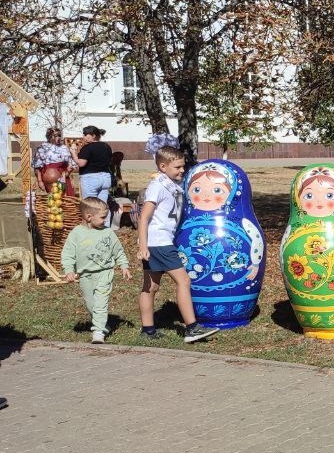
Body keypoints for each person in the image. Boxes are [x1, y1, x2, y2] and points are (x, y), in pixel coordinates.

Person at [136, 146, 219, 343]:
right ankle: (192, 328)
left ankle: (148, 329)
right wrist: (143, 246)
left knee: (151, 286)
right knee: (184, 281)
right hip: (159, 243)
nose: (182, 170)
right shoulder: (157, 185)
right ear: (163, 166)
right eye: (178, 167)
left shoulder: (170, 184)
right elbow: (144, 216)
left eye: (183, 166)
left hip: (157, 242)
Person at [61, 197, 132, 343]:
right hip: (85, 276)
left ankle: (98, 332)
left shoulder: (108, 233)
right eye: (102, 217)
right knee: (91, 304)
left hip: (104, 273)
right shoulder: (76, 233)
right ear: (88, 217)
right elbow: (68, 254)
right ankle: (102, 323)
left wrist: (124, 265)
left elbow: (118, 251)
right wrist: (68, 270)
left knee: (100, 303)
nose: (105, 221)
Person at [75, 125, 114, 221]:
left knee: (90, 205)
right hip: (105, 177)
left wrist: (73, 153)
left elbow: (81, 163)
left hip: (91, 178)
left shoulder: (87, 147)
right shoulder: (106, 146)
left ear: (93, 135)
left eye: (85, 134)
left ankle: (92, 229)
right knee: (103, 205)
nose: (83, 137)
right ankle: (104, 228)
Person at [34, 127, 76, 194]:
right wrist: (39, 181)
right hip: (48, 182)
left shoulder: (64, 148)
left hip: (63, 180)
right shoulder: (42, 148)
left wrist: (68, 172)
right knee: (51, 201)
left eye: (59, 136)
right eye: (56, 136)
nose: (58, 138)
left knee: (64, 201)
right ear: (49, 136)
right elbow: (37, 167)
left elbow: (71, 163)